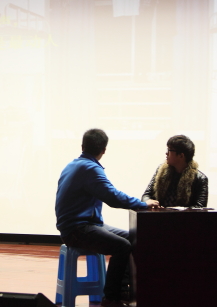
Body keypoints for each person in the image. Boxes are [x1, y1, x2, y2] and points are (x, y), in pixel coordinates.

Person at [55, 129, 160, 307]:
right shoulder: (90, 169)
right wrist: (143, 204)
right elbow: (113, 197)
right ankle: (111, 298)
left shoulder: (73, 165)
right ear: (104, 150)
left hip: (82, 226)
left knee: (131, 238)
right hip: (77, 229)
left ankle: (123, 290)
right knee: (122, 246)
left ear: (82, 146)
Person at [141, 135, 208, 207]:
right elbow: (146, 196)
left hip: (184, 215)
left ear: (181, 156)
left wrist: (175, 211)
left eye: (169, 150)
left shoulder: (200, 179)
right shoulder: (161, 171)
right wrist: (152, 204)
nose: (166, 153)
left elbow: (200, 207)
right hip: (160, 214)